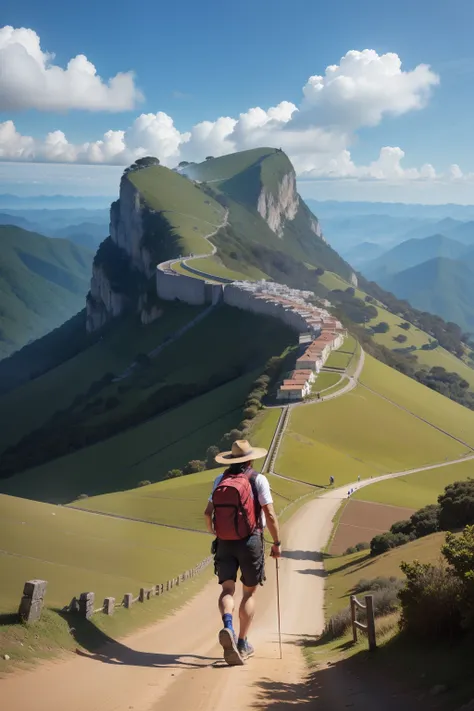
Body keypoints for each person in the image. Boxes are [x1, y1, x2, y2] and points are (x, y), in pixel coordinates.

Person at [204, 439, 281, 666]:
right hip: (251, 541)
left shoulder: (221, 480)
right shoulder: (258, 480)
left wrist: (215, 533)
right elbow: (270, 513)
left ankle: (227, 625)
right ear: (251, 458)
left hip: (225, 541)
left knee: (228, 588)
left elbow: (207, 514)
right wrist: (277, 543)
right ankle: (242, 643)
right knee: (248, 594)